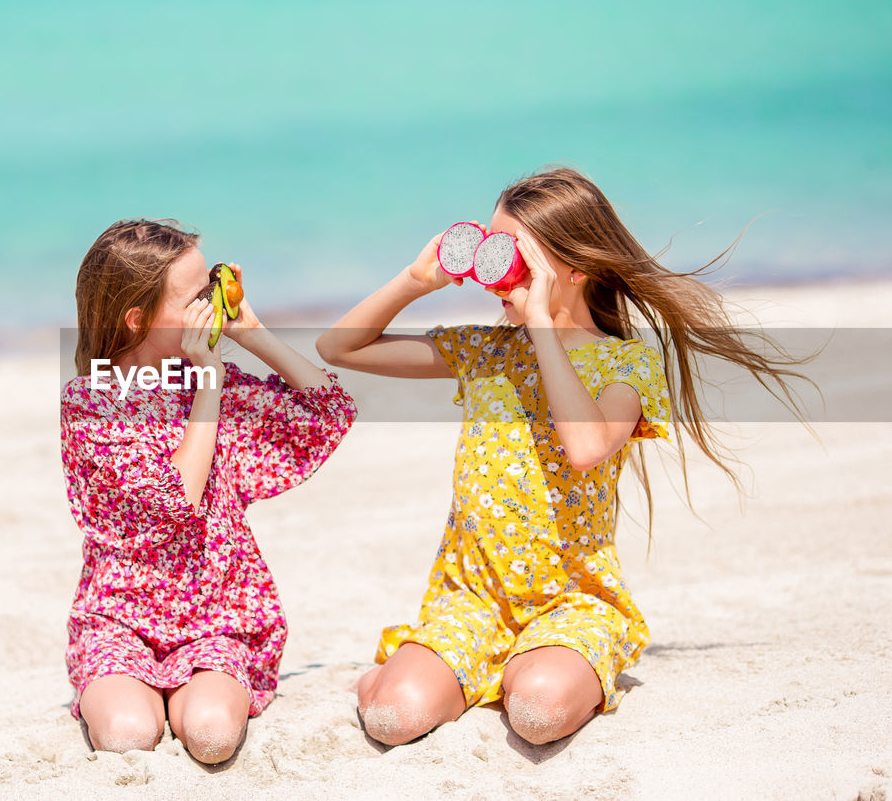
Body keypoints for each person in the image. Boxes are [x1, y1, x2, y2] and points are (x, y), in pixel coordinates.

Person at [316, 167, 810, 746]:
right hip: (473, 597)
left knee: (539, 713)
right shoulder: (486, 348)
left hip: (570, 602)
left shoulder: (627, 366)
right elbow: (338, 347)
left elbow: (585, 447)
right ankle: (433, 670)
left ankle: (541, 666)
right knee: (392, 718)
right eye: (489, 249)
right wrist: (415, 280)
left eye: (514, 256)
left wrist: (543, 325)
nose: (493, 271)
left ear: (574, 270)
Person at [61, 218, 357, 763]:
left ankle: (191, 690)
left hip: (217, 614)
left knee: (213, 734)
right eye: (198, 296)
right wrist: (210, 389)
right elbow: (176, 500)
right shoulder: (90, 405)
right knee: (127, 735)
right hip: (122, 617)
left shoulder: (206, 376)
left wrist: (253, 335)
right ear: (137, 318)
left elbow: (330, 411)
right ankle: (136, 690)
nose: (212, 305)